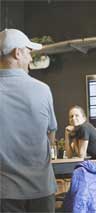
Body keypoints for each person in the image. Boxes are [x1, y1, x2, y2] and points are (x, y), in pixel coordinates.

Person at [0, 29, 57, 212]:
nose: (31, 59)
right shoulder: (42, 90)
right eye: (28, 52)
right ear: (18, 53)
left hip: (4, 193)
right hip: (41, 190)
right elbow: (51, 136)